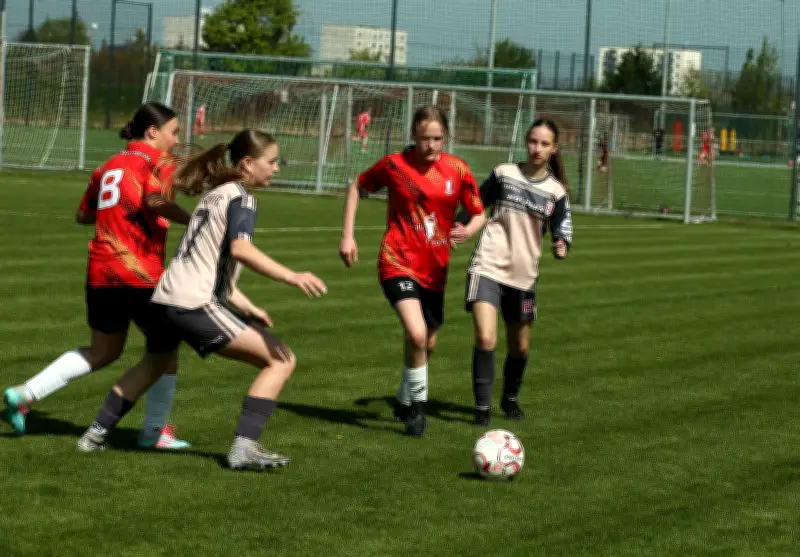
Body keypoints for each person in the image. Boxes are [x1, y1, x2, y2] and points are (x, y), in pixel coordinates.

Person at [76, 129, 328, 472]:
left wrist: (248, 307)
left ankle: (94, 435)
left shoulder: (214, 195)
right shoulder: (242, 197)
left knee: (153, 364)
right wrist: (292, 276)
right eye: (272, 162)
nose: (276, 169)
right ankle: (244, 447)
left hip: (164, 298)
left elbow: (207, 265)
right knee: (281, 361)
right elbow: (241, 249)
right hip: (191, 303)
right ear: (248, 163)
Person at [4, 102, 193, 449]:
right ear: (153, 133)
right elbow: (155, 202)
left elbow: (82, 215)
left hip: (101, 271)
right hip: (139, 272)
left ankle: (24, 393)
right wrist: (194, 219)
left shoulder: (106, 167)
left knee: (102, 350)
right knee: (167, 348)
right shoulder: (159, 163)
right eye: (174, 132)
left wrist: (117, 214)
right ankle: (154, 432)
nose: (177, 140)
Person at [339, 106, 486, 436]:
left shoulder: (457, 170)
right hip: (397, 261)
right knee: (417, 334)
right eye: (424, 139)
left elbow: (479, 212)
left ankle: (403, 400)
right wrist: (348, 236)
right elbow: (356, 187)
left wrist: (469, 229)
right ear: (413, 136)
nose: (431, 145)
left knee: (426, 343)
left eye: (437, 138)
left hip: (435, 269)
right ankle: (418, 410)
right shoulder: (395, 166)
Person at [458, 118, 573, 426]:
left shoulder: (556, 192)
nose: (537, 149)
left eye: (544, 144)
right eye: (533, 142)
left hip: (523, 277)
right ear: (526, 142)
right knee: (485, 338)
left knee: (519, 347)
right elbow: (476, 205)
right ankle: (482, 409)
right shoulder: (504, 174)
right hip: (488, 266)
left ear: (554, 149)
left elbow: (563, 226)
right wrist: (462, 226)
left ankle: (509, 399)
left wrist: (561, 244)